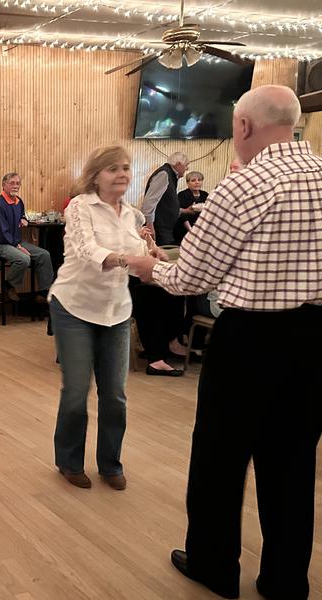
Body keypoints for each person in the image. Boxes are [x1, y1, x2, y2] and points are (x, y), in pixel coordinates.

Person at [126, 85, 322, 600]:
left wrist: (149, 268)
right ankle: (285, 581)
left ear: (244, 126)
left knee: (220, 457)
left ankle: (214, 565)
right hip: (315, 342)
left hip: (251, 339)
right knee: (294, 462)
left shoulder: (243, 185)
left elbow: (191, 276)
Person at [49, 144, 166, 491]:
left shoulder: (132, 215)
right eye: (113, 168)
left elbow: (138, 254)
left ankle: (110, 464)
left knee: (115, 395)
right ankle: (69, 461)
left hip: (116, 311)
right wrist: (130, 260)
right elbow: (87, 251)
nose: (122, 174)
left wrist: (152, 254)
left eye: (125, 168)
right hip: (74, 308)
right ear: (95, 175)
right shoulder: (80, 207)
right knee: (76, 392)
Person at [0, 173, 54, 302]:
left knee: (44, 255)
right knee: (23, 259)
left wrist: (23, 219)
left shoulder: (19, 202)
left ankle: (44, 292)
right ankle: (8, 285)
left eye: (18, 183)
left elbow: (22, 215)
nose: (15, 186)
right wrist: (17, 247)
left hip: (15, 242)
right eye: (12, 183)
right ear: (4, 185)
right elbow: (1, 233)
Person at [141, 152, 189, 246]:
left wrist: (185, 211)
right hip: (159, 228)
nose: (187, 168)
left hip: (165, 228)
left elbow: (166, 204)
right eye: (186, 165)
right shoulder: (164, 174)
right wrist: (150, 225)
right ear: (178, 164)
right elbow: (150, 202)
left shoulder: (170, 175)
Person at [174, 170, 208, 243]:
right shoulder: (182, 195)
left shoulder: (205, 194)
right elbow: (179, 212)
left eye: (199, 180)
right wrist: (191, 231)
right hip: (184, 228)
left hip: (201, 228)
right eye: (193, 180)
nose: (197, 182)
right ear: (187, 183)